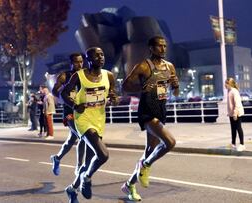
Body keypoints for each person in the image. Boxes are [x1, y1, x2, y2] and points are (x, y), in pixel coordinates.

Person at [121, 36, 179, 201]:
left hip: (161, 109)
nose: (163, 49)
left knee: (148, 151)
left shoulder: (170, 67)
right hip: (147, 111)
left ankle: (129, 185)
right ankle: (145, 165)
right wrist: (142, 86)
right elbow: (125, 86)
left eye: (165, 46)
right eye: (159, 46)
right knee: (170, 142)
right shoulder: (143, 66)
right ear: (151, 48)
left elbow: (175, 93)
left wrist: (175, 85)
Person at [61, 47, 118, 202]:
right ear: (88, 59)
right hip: (83, 120)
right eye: (96, 55)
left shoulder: (109, 76)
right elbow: (63, 93)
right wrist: (74, 105)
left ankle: (72, 189)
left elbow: (113, 96)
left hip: (99, 119)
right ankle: (86, 179)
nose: (100, 57)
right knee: (103, 154)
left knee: (89, 162)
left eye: (102, 54)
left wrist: (114, 99)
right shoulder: (79, 76)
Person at [50, 53, 86, 176]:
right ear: (71, 63)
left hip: (81, 111)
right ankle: (80, 167)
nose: (80, 64)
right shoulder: (65, 76)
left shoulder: (84, 75)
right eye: (77, 62)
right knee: (83, 136)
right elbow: (55, 91)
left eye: (81, 62)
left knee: (71, 139)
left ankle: (57, 158)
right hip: (69, 112)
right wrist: (65, 93)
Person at [225, 78, 245, 151]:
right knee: (233, 129)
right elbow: (231, 104)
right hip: (232, 113)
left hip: (237, 113)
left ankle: (242, 144)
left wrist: (235, 113)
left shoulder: (234, 91)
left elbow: (237, 103)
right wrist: (230, 113)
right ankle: (233, 143)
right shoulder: (229, 91)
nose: (225, 85)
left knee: (238, 128)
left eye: (226, 83)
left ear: (229, 84)